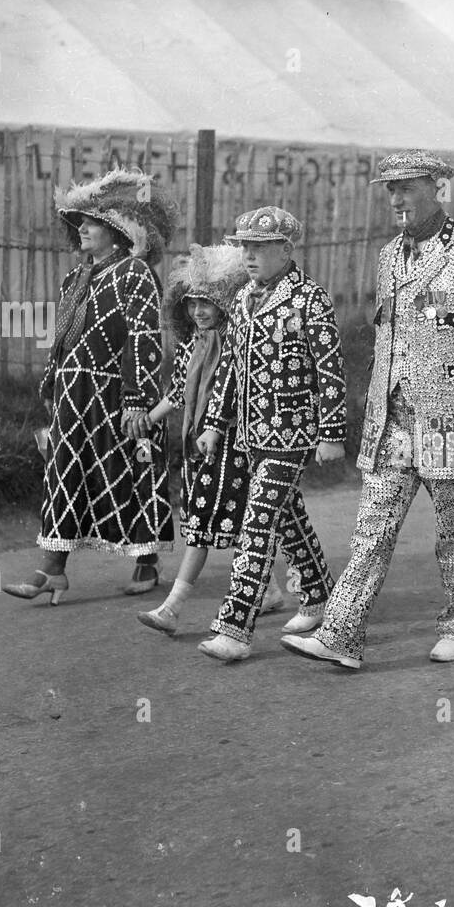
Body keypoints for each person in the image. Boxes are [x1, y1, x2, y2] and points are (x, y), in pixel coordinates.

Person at [280, 150, 454, 671]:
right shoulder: (388, 255)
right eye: (390, 189)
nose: (397, 199)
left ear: (438, 188)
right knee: (372, 528)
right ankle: (340, 635)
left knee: (453, 530)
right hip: (392, 421)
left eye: (407, 187)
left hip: (452, 418)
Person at [3, 167, 179, 605]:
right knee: (64, 472)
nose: (81, 228)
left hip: (116, 393)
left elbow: (143, 337)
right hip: (72, 394)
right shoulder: (75, 279)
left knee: (128, 471)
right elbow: (61, 338)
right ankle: (52, 570)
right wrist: (51, 383)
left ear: (119, 233)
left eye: (92, 222)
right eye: (78, 222)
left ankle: (147, 560)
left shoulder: (134, 274)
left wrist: (138, 398)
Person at [195, 206, 348, 662]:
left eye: (260, 247)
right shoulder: (241, 301)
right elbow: (230, 369)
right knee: (286, 517)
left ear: (286, 249)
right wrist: (214, 424)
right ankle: (320, 593)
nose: (249, 255)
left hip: (293, 433)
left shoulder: (309, 300)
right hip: (249, 434)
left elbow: (330, 370)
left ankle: (235, 628)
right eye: (244, 246)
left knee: (257, 523)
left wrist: (332, 433)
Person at [135, 243, 288, 633]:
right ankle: (268, 590)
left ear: (224, 305)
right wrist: (148, 418)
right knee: (235, 523)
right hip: (197, 445)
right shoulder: (193, 343)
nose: (199, 311)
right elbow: (178, 393)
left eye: (207, 303)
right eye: (192, 303)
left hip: (230, 444)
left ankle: (172, 608)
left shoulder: (235, 341)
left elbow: (237, 392)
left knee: (204, 525)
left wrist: (216, 427)